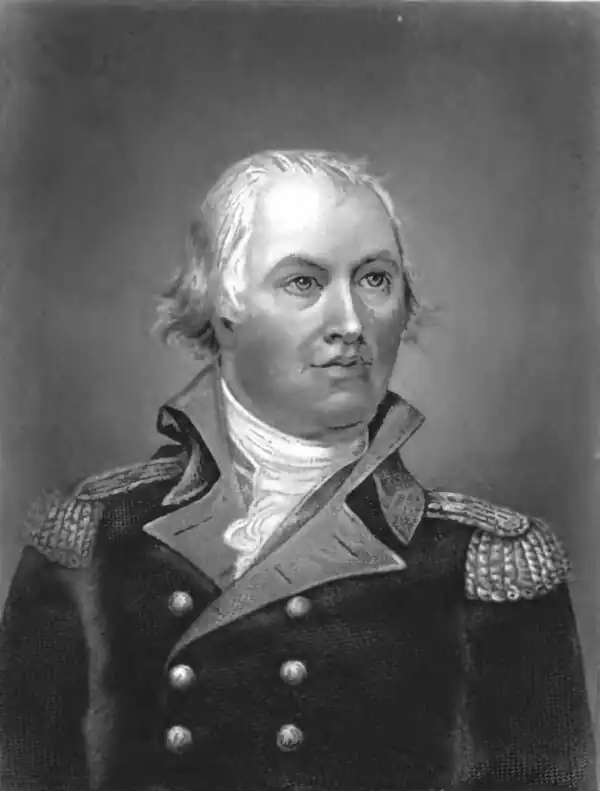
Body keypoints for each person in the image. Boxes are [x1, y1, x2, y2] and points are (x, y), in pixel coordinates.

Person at [0, 150, 595, 791]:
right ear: (224, 307)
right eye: (304, 283)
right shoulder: (93, 539)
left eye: (375, 279)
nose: (351, 324)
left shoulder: (484, 565)